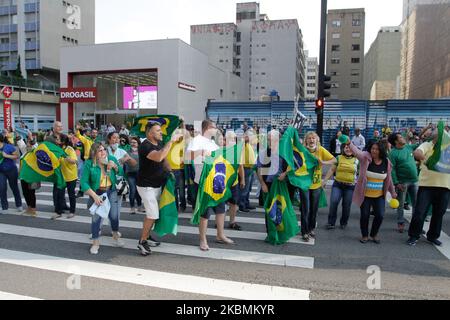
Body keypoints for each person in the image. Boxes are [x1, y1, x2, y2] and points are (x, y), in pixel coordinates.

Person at [186, 120, 235, 251]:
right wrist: (201, 152)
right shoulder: (196, 141)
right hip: (203, 182)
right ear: (207, 128)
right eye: (214, 127)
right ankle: (203, 240)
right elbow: (187, 157)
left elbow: (220, 159)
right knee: (205, 212)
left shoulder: (213, 143)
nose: (216, 129)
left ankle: (220, 235)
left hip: (217, 180)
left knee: (221, 209)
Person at [136, 122, 182, 256]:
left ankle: (147, 236)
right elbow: (159, 156)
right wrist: (171, 141)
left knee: (153, 214)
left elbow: (164, 159)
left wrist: (170, 171)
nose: (161, 132)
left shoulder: (159, 143)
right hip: (146, 186)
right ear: (150, 133)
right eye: (158, 130)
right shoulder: (145, 146)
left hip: (157, 184)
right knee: (153, 214)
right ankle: (142, 241)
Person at [346, 140, 397, 244]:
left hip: (379, 196)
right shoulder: (365, 157)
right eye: (373, 148)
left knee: (380, 215)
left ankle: (374, 234)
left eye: (377, 149)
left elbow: (389, 179)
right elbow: (357, 152)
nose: (374, 151)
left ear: (381, 150)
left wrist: (392, 192)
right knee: (365, 215)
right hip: (365, 195)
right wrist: (349, 143)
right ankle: (364, 235)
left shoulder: (386, 162)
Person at [407, 132, 450, 247]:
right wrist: (427, 161)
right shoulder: (428, 145)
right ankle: (414, 235)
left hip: (445, 186)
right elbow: (417, 153)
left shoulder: (448, 147)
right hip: (427, 185)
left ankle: (433, 236)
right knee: (420, 212)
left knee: (439, 213)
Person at [81, 143, 124, 255]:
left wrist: (114, 166)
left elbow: (121, 171)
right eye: (100, 150)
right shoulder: (89, 164)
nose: (103, 152)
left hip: (112, 190)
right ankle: (95, 243)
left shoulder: (111, 158)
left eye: (104, 149)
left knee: (114, 215)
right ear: (94, 152)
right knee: (97, 218)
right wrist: (94, 195)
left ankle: (115, 235)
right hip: (98, 192)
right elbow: (83, 182)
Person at [301, 132, 336, 241]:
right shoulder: (303, 151)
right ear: (306, 140)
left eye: (313, 138)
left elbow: (335, 160)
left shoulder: (320, 150)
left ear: (317, 140)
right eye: (309, 138)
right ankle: (304, 232)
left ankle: (311, 229)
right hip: (304, 185)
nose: (311, 140)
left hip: (316, 185)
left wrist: (323, 162)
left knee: (314, 209)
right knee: (305, 209)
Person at [388, 132, 419, 233]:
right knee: (400, 204)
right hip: (402, 183)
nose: (403, 138)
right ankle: (400, 222)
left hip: (414, 181)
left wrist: (427, 133)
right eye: (400, 137)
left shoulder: (408, 147)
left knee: (416, 204)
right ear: (396, 141)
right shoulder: (393, 153)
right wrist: (396, 183)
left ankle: (415, 225)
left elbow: (421, 145)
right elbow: (392, 170)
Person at [323, 144, 358, 230]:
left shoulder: (357, 160)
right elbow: (332, 169)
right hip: (338, 185)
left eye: (350, 148)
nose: (348, 149)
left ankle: (343, 222)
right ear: (343, 149)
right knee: (333, 202)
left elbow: (361, 173)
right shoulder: (338, 158)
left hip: (350, 187)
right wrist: (325, 181)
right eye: (346, 147)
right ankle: (331, 223)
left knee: (346, 205)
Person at [53, 134, 78, 219]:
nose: (56, 141)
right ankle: (58, 212)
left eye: (58, 139)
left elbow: (74, 161)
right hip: (61, 176)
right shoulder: (57, 149)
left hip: (71, 176)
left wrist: (65, 156)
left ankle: (72, 211)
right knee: (59, 195)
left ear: (63, 141)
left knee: (71, 195)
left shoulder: (70, 149)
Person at [0, 133, 23, 214]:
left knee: (14, 187)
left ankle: (19, 204)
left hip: (11, 170)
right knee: (2, 188)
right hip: (1, 171)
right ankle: (4, 207)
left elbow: (17, 156)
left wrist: (6, 155)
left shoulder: (8, 146)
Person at [167, 124, 187, 212]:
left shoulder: (183, 143)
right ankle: (176, 207)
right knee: (174, 190)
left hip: (180, 169)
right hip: (169, 169)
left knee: (181, 190)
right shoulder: (169, 142)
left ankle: (183, 205)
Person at [20, 133, 39, 217]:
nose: (28, 144)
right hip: (23, 176)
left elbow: (35, 146)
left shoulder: (35, 151)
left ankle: (33, 209)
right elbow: (20, 144)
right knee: (25, 192)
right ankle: (29, 207)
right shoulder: (24, 152)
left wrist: (31, 138)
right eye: (27, 142)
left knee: (31, 192)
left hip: (32, 176)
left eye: (29, 143)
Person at [239, 129, 257, 213]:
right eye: (250, 136)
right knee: (245, 188)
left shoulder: (249, 144)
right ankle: (242, 204)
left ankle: (246, 202)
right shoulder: (242, 143)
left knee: (249, 188)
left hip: (251, 168)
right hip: (246, 168)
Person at [126, 136, 143, 214]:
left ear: (138, 143)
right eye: (131, 142)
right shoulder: (127, 152)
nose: (132, 144)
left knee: (139, 191)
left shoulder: (141, 151)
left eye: (134, 142)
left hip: (139, 174)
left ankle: (139, 206)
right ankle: (132, 207)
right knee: (132, 190)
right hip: (130, 174)